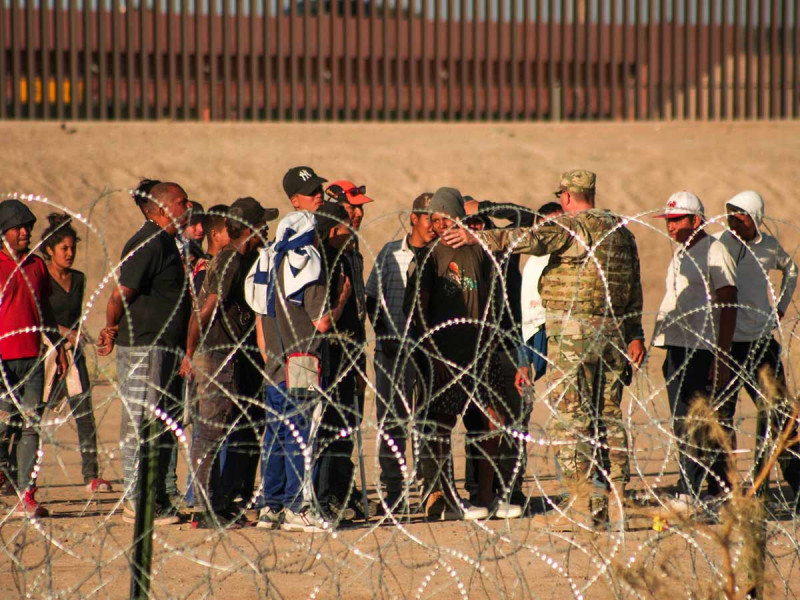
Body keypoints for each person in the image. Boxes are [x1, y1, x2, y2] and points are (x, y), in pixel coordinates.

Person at [444, 170, 646, 531]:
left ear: (566, 196)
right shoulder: (620, 231)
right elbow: (634, 287)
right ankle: (617, 498)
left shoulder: (572, 227)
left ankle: (584, 503)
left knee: (573, 419)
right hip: (613, 335)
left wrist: (476, 235)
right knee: (609, 418)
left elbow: (526, 236)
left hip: (574, 336)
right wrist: (635, 334)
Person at [97, 180, 192, 526]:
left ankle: (157, 498)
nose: (188, 207)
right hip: (144, 347)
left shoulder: (167, 242)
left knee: (160, 424)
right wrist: (110, 327)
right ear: (162, 209)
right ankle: (137, 502)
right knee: (140, 422)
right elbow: (120, 294)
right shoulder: (149, 242)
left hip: (164, 348)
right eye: (182, 202)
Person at [251, 211, 351, 532]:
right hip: (304, 362)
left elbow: (260, 327)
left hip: (275, 364)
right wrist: (342, 298)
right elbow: (322, 322)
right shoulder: (306, 266)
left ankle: (271, 506)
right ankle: (298, 507)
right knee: (302, 436)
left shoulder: (268, 264)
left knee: (276, 436)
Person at [180, 197, 276, 528]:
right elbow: (205, 310)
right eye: (262, 225)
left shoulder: (239, 258)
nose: (266, 231)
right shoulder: (230, 259)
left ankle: (218, 502)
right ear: (250, 229)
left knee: (220, 431)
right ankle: (204, 507)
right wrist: (191, 352)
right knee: (209, 433)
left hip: (225, 354)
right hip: (216, 355)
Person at [405, 187, 497, 521]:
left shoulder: (478, 252)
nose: (442, 225)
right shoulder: (429, 257)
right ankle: (444, 497)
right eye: (436, 219)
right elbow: (417, 311)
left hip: (477, 353)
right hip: (443, 357)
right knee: (440, 428)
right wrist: (432, 356)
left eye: (448, 218)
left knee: (488, 423)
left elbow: (490, 301)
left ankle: (486, 495)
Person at [651, 191, 738, 512]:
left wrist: (722, 354)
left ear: (696, 220)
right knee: (684, 421)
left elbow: (728, 301)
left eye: (677, 220)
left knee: (697, 421)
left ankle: (693, 491)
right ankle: (715, 490)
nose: (670, 226)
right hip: (676, 346)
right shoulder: (680, 253)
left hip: (702, 349)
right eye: (668, 220)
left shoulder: (714, 250)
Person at [719, 191, 799, 510]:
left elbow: (791, 270)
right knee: (722, 417)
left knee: (779, 417)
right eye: (730, 216)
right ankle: (724, 487)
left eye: (740, 218)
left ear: (755, 219)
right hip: (728, 344)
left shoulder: (768, 246)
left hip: (762, 343)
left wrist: (779, 308)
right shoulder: (721, 244)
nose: (733, 223)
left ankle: (792, 483)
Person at [366, 192, 436, 512]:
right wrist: (384, 334)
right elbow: (372, 297)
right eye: (427, 219)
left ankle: (430, 490)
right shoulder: (390, 253)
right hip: (392, 353)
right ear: (414, 218)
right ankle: (393, 492)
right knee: (392, 424)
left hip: (429, 353)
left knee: (429, 423)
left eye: (437, 220)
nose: (433, 226)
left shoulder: (440, 255)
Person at [0, 199, 66, 518]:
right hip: (3, 361)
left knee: (31, 426)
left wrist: (58, 345)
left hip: (33, 360)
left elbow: (45, 309)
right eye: (18, 228)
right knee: (4, 425)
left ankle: (26, 493)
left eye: (27, 227)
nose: (25, 232)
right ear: (4, 232)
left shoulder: (37, 265)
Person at [40, 213, 112, 494]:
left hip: (72, 354)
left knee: (84, 413)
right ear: (49, 249)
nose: (70, 254)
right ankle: (12, 472)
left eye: (73, 248)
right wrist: (63, 333)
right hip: (44, 353)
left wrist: (81, 337)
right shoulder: (41, 277)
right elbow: (38, 317)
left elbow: (76, 318)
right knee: (31, 416)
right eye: (64, 248)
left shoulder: (78, 279)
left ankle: (91, 475)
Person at [515, 201, 564, 393]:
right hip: (548, 343)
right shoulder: (534, 264)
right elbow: (528, 317)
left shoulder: (576, 257)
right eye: (547, 226)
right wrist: (523, 362)